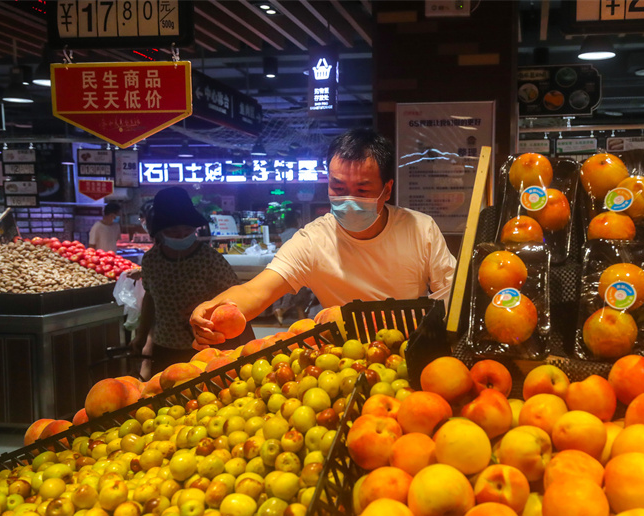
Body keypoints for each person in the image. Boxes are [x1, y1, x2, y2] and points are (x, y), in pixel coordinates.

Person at [190, 127, 456, 347]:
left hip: (410, 349)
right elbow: (256, 291)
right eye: (338, 187)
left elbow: (454, 294)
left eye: (362, 190)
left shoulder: (420, 229)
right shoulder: (313, 241)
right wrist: (212, 310)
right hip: (342, 360)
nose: (348, 199)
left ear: (387, 191)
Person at [131, 187, 255, 374]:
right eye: (174, 232)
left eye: (187, 231)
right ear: (160, 232)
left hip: (208, 348)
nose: (181, 236)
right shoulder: (151, 260)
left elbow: (236, 300)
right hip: (166, 347)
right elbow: (150, 298)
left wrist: (248, 347)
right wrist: (141, 337)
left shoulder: (209, 259)